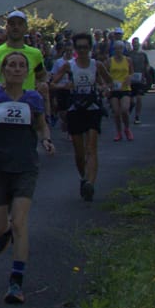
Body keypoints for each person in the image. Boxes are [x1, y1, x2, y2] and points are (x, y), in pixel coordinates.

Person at [0, 49, 54, 306]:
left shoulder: (34, 99)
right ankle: (3, 233)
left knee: (19, 222)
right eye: (12, 65)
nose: (16, 69)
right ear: (4, 70)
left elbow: (42, 125)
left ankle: (16, 282)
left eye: (21, 66)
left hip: (26, 167)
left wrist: (47, 140)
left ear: (27, 72)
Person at [46, 33, 108, 201]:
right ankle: (83, 177)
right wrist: (65, 86)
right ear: (74, 49)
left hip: (92, 107)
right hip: (75, 109)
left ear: (90, 48)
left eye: (85, 47)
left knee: (91, 148)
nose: (82, 50)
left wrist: (103, 88)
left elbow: (107, 82)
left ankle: (90, 183)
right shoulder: (68, 65)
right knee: (79, 152)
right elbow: (51, 84)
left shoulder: (97, 65)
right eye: (79, 47)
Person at [0, 11, 43, 96]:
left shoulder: (36, 54)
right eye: (12, 24)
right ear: (6, 28)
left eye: (20, 24)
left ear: (26, 28)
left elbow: (42, 76)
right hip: (2, 104)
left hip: (28, 104)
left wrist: (41, 86)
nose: (16, 27)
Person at [106, 38, 135, 141]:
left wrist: (129, 77)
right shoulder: (110, 60)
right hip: (114, 89)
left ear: (123, 49)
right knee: (116, 112)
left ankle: (127, 129)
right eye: (116, 48)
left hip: (125, 88)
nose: (118, 50)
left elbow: (132, 72)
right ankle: (118, 132)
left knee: (125, 109)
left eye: (120, 48)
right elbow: (105, 73)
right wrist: (108, 83)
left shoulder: (128, 60)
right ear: (114, 49)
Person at [126, 37, 152, 123]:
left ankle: (137, 116)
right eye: (134, 43)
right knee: (131, 101)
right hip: (131, 79)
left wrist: (147, 70)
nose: (135, 44)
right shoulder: (128, 54)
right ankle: (128, 110)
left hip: (140, 79)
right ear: (132, 44)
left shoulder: (143, 54)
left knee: (139, 98)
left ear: (139, 44)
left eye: (137, 43)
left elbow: (147, 64)